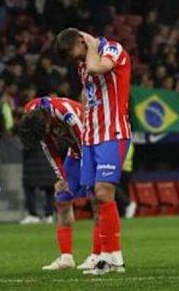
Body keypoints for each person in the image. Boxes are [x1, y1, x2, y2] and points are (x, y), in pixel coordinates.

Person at [54, 28, 132, 275]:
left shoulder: (111, 49)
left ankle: (115, 257)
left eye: (73, 52)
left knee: (104, 191)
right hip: (90, 136)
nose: (73, 59)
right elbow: (87, 94)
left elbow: (99, 68)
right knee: (95, 200)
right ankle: (101, 255)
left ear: (81, 41)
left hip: (113, 132)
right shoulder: (82, 63)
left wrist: (91, 45)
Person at [19, 96, 99, 270]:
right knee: (62, 199)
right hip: (75, 150)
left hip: (94, 146)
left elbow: (84, 140)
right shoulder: (31, 117)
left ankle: (98, 255)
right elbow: (48, 147)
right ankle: (66, 257)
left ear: (48, 120)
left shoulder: (64, 112)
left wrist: (88, 173)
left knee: (96, 199)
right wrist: (61, 177)